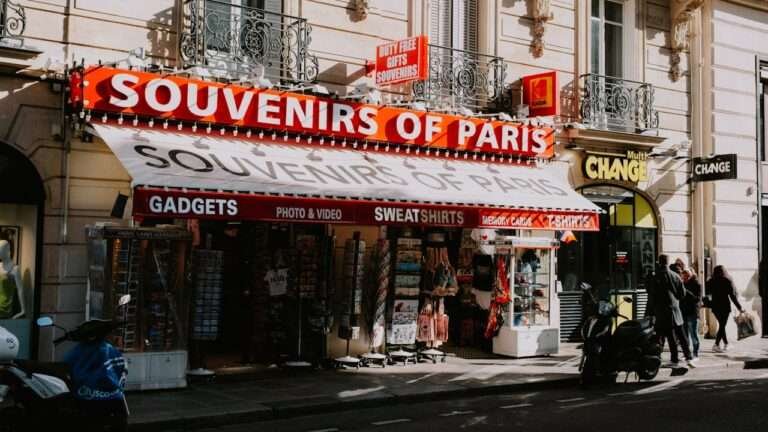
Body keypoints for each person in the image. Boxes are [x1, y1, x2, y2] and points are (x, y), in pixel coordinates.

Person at [647, 254, 695, 368]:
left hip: (661, 311)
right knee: (681, 335)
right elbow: (682, 294)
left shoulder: (655, 277)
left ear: (659, 262)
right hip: (675, 310)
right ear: (668, 262)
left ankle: (673, 359)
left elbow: (650, 293)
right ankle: (688, 357)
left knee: (668, 336)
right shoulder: (675, 276)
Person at [706, 265, 743, 352]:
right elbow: (732, 296)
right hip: (724, 306)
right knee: (722, 325)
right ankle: (716, 344)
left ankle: (726, 344)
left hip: (715, 306)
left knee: (722, 325)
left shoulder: (711, 281)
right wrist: (739, 307)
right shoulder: (727, 280)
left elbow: (708, 294)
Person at [681, 268, 702, 360]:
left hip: (692, 312)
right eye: (683, 277)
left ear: (691, 275)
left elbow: (697, 299)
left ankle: (695, 353)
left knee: (693, 334)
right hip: (683, 312)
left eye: (686, 277)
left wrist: (687, 292)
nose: (684, 278)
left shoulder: (697, 284)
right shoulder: (683, 284)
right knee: (685, 335)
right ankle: (687, 353)